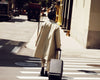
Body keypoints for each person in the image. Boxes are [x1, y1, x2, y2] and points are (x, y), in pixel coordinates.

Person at [33, 10, 61, 76]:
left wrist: (37, 41)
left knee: (42, 56)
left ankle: (42, 68)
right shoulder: (56, 26)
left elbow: (39, 34)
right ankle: (46, 71)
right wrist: (58, 46)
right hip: (51, 44)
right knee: (49, 58)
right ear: (54, 17)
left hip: (43, 42)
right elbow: (57, 38)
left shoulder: (44, 24)